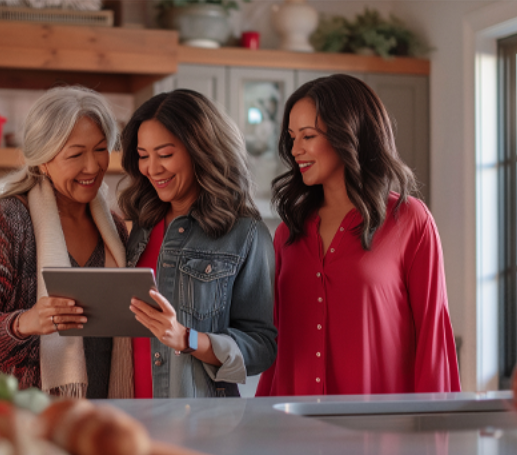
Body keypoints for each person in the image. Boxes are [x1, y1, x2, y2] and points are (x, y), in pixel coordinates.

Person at [256, 74, 461, 396]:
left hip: (380, 432)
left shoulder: (409, 221)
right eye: (292, 137)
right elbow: (276, 347)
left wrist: (433, 431)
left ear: (348, 134)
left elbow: (433, 337)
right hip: (293, 430)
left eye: (307, 135)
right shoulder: (287, 234)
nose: (295, 149)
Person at [0, 86, 133, 399]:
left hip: (96, 416)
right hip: (13, 418)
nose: (93, 166)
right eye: (76, 154)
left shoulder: (114, 229)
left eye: (101, 149)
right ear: (43, 161)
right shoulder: (6, 221)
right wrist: (25, 322)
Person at [119, 89, 277, 398]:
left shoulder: (245, 232)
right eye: (143, 156)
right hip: (128, 413)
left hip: (200, 421)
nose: (152, 168)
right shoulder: (140, 225)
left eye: (165, 154)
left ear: (200, 150)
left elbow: (261, 346)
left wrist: (186, 339)